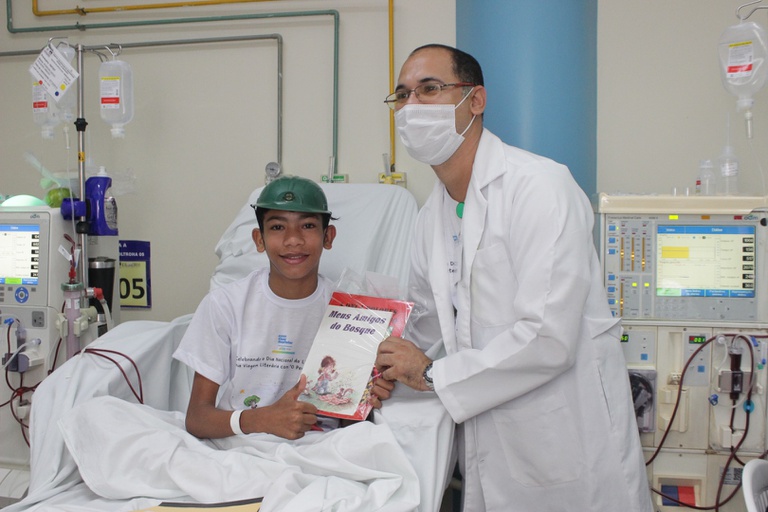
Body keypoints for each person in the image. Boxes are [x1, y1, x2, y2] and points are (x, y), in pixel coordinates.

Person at [375, 44, 653, 512]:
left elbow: (547, 337)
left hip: (564, 436)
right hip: (490, 443)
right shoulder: (431, 216)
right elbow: (425, 328)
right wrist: (380, 366)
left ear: (476, 101)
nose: (412, 107)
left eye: (429, 89)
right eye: (402, 96)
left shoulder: (540, 187)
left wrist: (427, 374)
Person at [174, 175, 393, 440]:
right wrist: (261, 419)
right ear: (259, 239)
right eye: (277, 227)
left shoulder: (350, 314)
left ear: (328, 236)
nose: (293, 240)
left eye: (308, 226)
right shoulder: (224, 305)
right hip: (239, 446)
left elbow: (350, 425)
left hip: (320, 447)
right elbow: (197, 419)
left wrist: (365, 399)